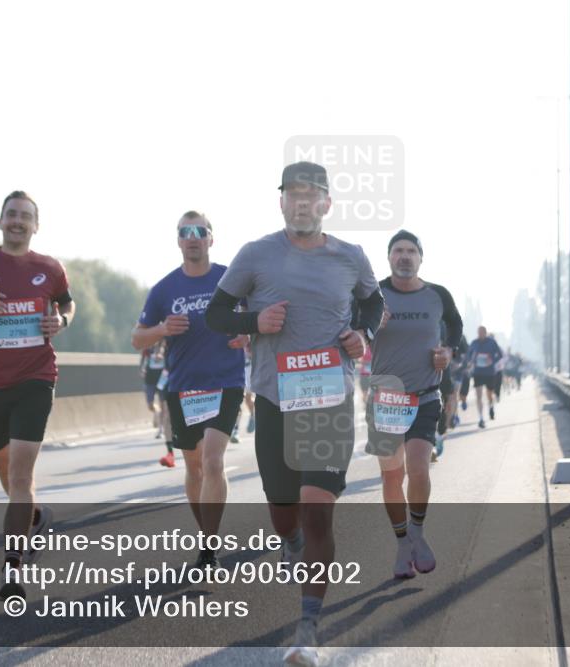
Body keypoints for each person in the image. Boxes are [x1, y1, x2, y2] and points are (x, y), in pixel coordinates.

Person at [206, 161, 384, 666]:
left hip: (328, 397)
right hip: (274, 398)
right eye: (294, 195)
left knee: (317, 506)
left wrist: (363, 335)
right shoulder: (255, 255)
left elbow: (372, 306)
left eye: (313, 196)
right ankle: (292, 543)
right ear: (281, 201)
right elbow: (217, 314)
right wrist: (254, 320)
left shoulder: (351, 257)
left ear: (327, 204)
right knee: (284, 514)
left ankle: (308, 630)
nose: (303, 204)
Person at [0, 191, 74, 600]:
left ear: (36, 225)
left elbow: (67, 304)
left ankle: (12, 570)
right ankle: (36, 516)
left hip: (36, 378)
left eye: (25, 216)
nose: (17, 221)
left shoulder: (50, 268)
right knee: (9, 477)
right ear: (0, 220)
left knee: (21, 475)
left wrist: (60, 320)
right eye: (11, 214)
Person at [132, 211, 247, 569]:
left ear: (211, 238)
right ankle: (206, 535)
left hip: (226, 382)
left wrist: (247, 332)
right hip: (183, 389)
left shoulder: (230, 280)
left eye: (200, 231)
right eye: (186, 232)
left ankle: (209, 546)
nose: (193, 237)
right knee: (194, 467)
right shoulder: (164, 289)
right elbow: (138, 339)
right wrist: (163, 329)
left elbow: (256, 319)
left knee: (213, 461)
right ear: (178, 240)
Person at [366, 231, 461, 579]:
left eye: (410, 251)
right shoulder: (371, 295)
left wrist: (448, 351)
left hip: (425, 395)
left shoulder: (438, 295)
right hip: (386, 398)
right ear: (389, 258)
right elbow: (349, 332)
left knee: (419, 468)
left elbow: (456, 326)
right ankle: (403, 541)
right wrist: (372, 326)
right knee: (392, 476)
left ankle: (418, 532)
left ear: (421, 258)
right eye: (397, 251)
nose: (404, 256)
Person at [467, 326, 503, 428]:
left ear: (485, 333)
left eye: (482, 332)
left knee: (489, 394)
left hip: (489, 372)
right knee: (478, 396)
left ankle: (491, 407)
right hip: (478, 372)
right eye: (479, 332)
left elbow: (499, 355)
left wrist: (492, 360)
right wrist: (471, 362)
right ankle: (481, 418)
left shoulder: (492, 342)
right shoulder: (474, 343)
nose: (480, 334)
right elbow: (468, 355)